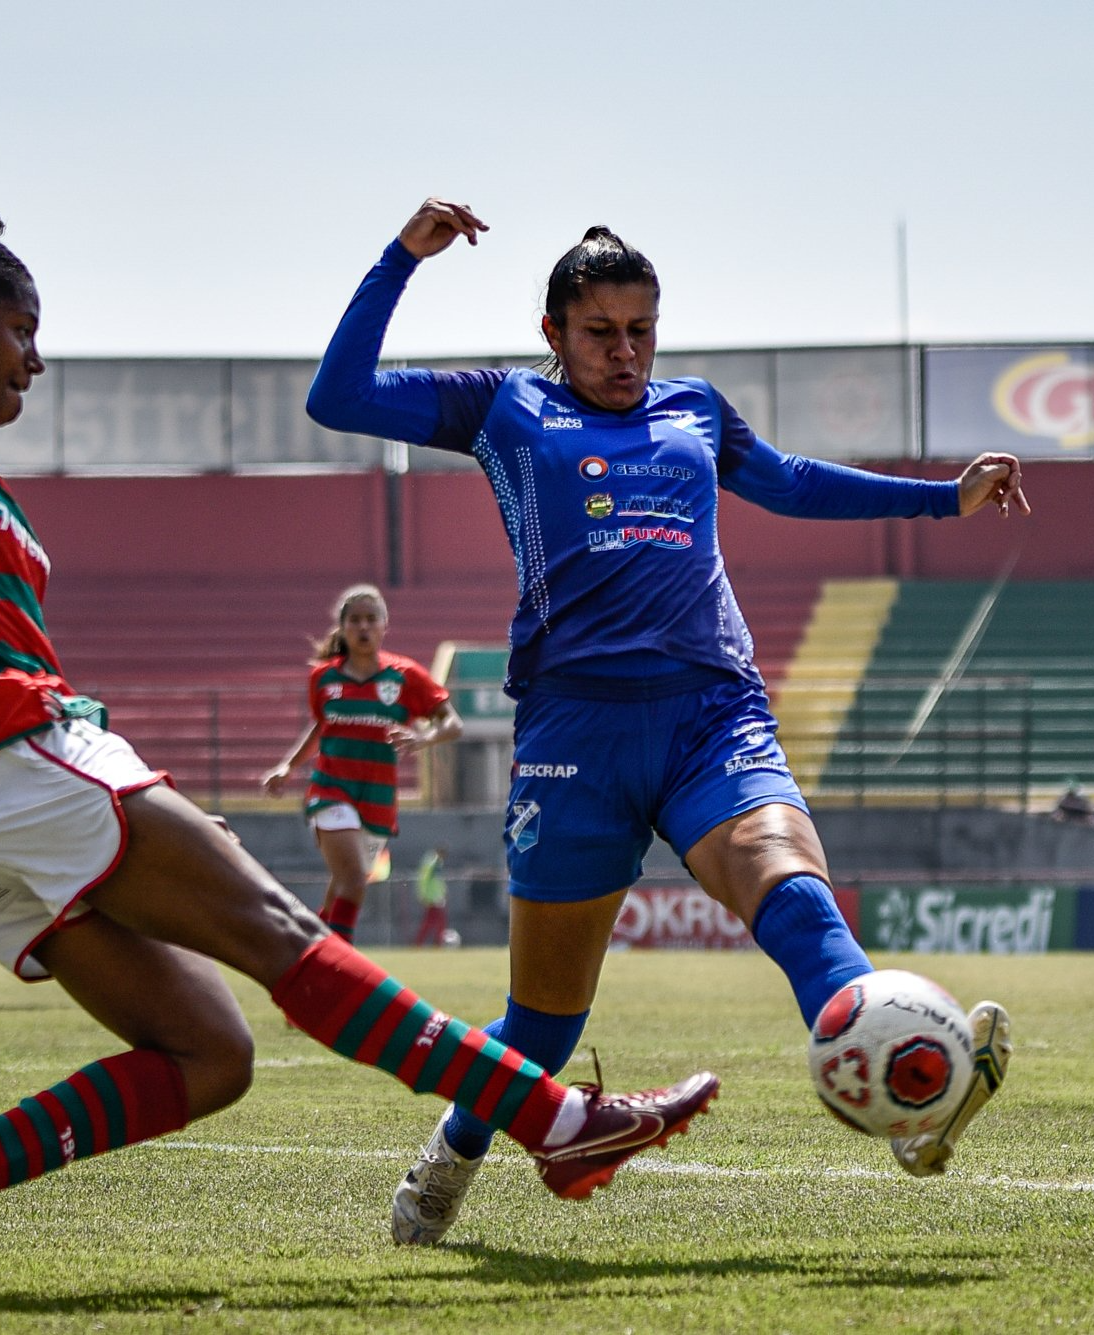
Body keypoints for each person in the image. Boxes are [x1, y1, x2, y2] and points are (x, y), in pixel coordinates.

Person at [0, 191, 717, 1298]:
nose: (34, 358)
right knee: (280, 928)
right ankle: (554, 1120)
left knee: (210, 1055)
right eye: (22, 331)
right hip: (3, 751)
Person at [308, 198, 1024, 1245]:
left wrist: (937, 500)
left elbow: (787, 483)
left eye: (642, 329)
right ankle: (450, 1159)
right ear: (551, 332)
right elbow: (337, 397)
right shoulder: (501, 406)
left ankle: (908, 1095)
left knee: (798, 904)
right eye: (600, 332)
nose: (626, 352)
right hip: (572, 739)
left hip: (710, 718)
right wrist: (398, 260)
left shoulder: (695, 409)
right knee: (544, 1027)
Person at [260, 585, 462, 942]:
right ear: (343, 628)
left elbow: (452, 723)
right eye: (355, 620)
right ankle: (343, 968)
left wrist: (424, 738)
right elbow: (323, 725)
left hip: (378, 800)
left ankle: (315, 950)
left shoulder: (405, 675)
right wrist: (288, 767)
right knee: (354, 880)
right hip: (332, 789)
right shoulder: (323, 678)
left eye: (371, 619)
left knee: (343, 886)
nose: (363, 627)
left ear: (385, 625)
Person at [414, 845, 450, 946]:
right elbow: (428, 881)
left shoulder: (433, 862)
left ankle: (421, 942)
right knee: (438, 921)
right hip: (433, 897)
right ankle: (436, 943)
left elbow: (435, 881)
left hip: (434, 897)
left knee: (431, 921)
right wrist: (424, 894)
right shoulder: (434, 864)